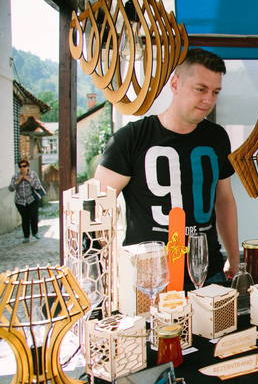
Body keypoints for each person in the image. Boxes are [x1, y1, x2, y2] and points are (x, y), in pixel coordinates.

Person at [95, 48, 239, 286]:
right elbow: (98, 207)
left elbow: (224, 199)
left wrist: (234, 257)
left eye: (215, 92)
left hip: (207, 271)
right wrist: (110, 266)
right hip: (150, 279)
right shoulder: (132, 138)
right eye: (200, 89)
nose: (209, 100)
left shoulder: (217, 137)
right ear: (175, 84)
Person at [8, 158, 44, 242]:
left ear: (28, 166)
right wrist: (19, 180)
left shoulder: (33, 174)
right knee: (25, 219)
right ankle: (26, 237)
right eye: (20, 166)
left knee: (34, 217)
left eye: (24, 166)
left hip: (32, 199)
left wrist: (28, 179)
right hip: (20, 201)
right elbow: (10, 188)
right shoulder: (15, 176)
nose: (22, 168)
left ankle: (35, 232)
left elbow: (38, 186)